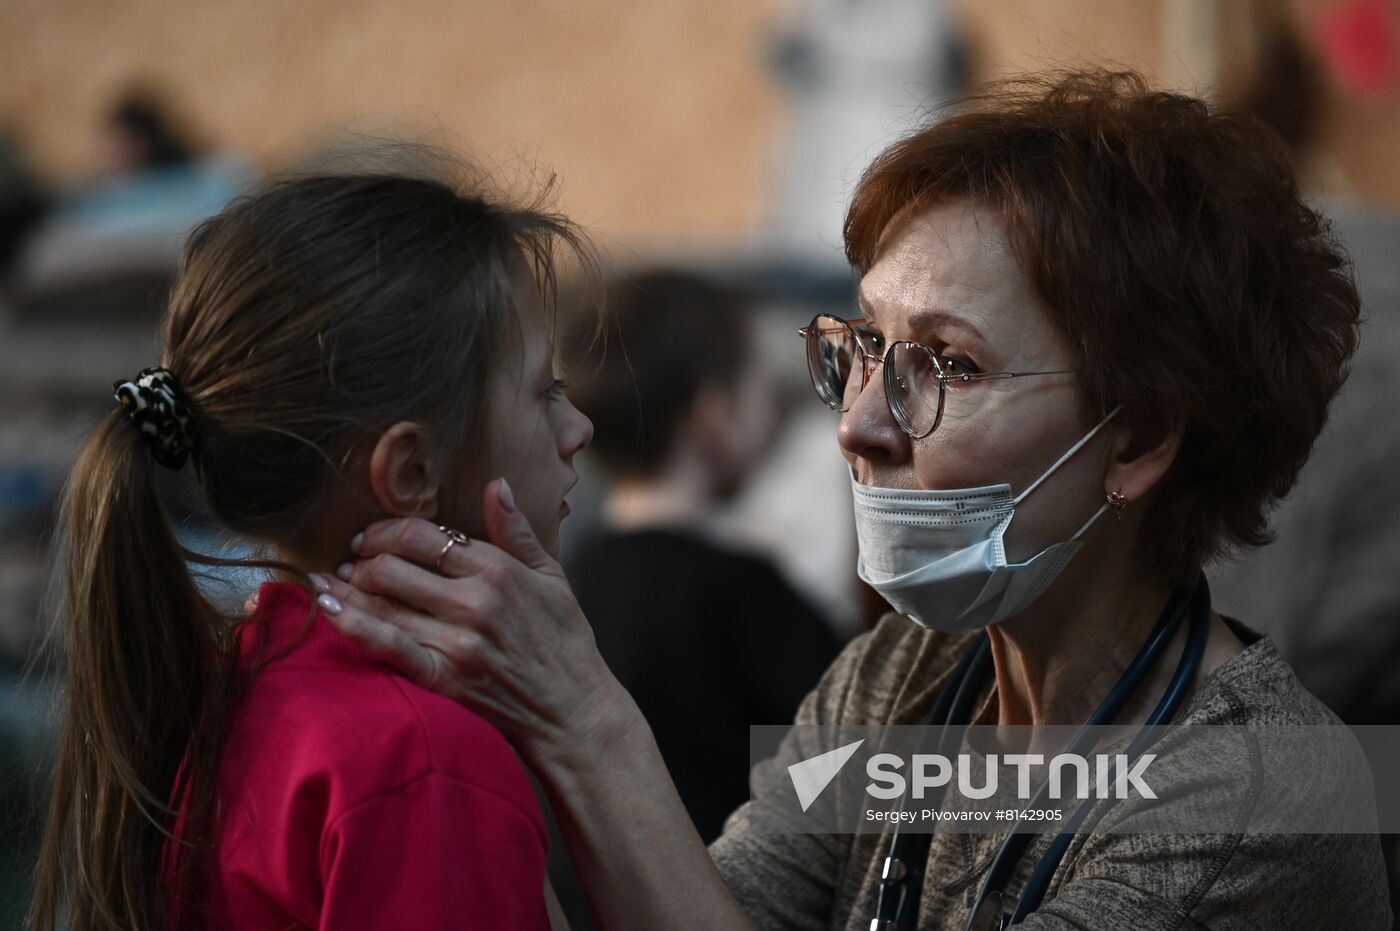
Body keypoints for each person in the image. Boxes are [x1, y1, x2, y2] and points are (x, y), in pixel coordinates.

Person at [307, 70, 1394, 928]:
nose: (857, 424)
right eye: (867, 347)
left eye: (950, 366)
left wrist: (586, 719)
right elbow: (707, 908)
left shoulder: (1257, 797)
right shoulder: (901, 678)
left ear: (1142, 436)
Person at [31, 171, 595, 930]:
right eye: (544, 392)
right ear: (411, 471)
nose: (578, 429)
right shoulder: (422, 760)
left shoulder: (237, 691)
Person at [565, 269, 843, 842]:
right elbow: (851, 764)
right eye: (758, 387)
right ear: (713, 414)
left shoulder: (573, 581)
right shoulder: (743, 593)